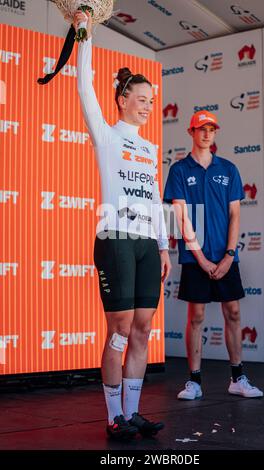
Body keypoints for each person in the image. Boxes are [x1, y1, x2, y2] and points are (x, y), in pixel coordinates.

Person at [74, 11, 171, 439]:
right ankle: (113, 417)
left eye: (152, 100)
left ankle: (132, 413)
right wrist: (85, 35)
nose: (148, 106)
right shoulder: (107, 134)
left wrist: (165, 246)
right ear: (122, 100)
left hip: (148, 243)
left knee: (144, 328)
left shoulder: (150, 148)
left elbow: (153, 197)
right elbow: (84, 85)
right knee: (119, 328)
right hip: (115, 238)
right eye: (142, 99)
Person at [163, 110, 263, 400]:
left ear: (215, 133)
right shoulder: (180, 171)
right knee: (196, 315)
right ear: (191, 132)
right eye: (201, 129)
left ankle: (238, 378)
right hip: (196, 258)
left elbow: (235, 215)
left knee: (233, 313)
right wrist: (202, 258)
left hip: (226, 256)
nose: (207, 134)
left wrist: (229, 255)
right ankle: (194, 382)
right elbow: (181, 219)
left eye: (211, 129)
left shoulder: (229, 169)